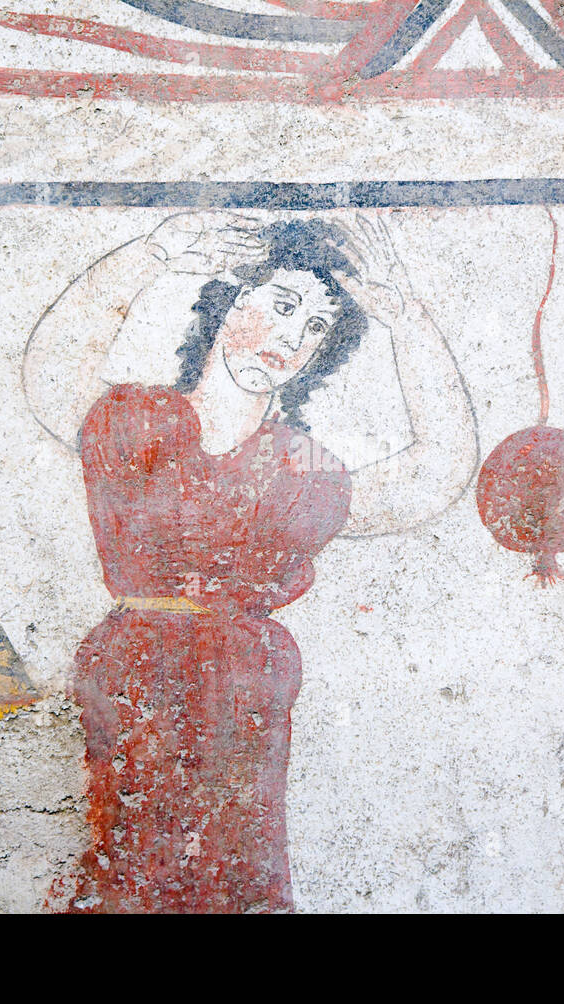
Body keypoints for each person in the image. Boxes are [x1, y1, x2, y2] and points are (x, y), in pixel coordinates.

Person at [24, 212, 477, 912]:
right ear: (230, 303)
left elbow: (434, 473)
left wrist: (408, 318)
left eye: (317, 327)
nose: (292, 339)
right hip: (133, 679)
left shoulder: (294, 468)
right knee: (124, 871)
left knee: (234, 878)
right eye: (283, 305)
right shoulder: (144, 423)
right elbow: (52, 372)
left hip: (242, 696)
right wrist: (151, 253)